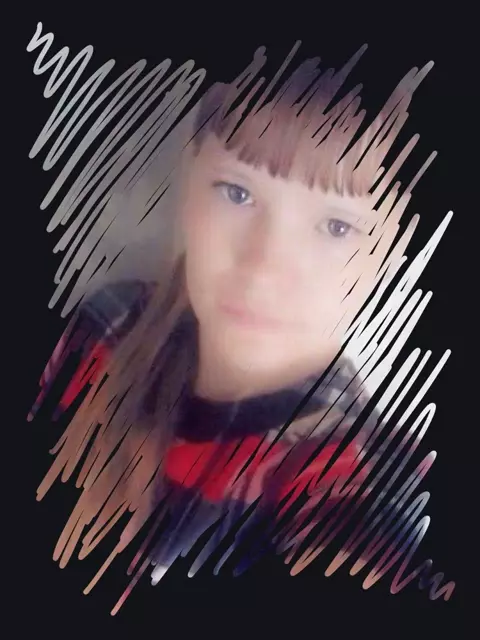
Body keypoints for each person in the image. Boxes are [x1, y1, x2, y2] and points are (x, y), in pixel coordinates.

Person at [29, 52, 428, 590]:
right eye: (237, 193)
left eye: (336, 227)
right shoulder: (108, 326)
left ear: (393, 251)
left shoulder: (347, 468)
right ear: (188, 182)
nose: (262, 267)